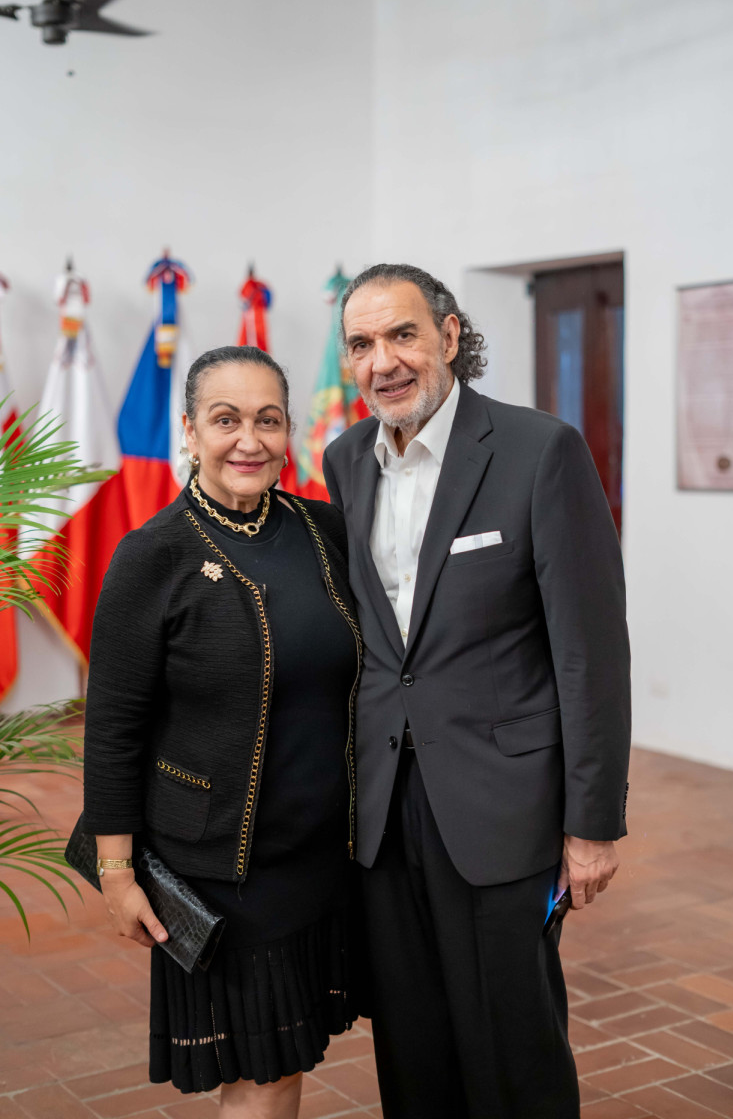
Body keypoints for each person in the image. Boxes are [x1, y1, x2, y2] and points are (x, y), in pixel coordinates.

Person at [323, 263, 631, 1119]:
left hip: (504, 806)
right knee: (411, 1044)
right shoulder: (345, 460)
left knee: (513, 1046)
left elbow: (591, 653)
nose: (382, 360)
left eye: (403, 334)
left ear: (450, 336)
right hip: (383, 807)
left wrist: (593, 823)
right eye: (361, 343)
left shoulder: (541, 451)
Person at [82, 346, 361, 1118]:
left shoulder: (322, 530)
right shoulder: (152, 556)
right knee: (262, 1071)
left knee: (288, 1054)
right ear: (189, 430)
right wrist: (116, 874)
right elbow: (112, 728)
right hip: (224, 871)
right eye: (226, 419)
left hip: (322, 855)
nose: (249, 440)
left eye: (268, 420)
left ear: (289, 432)